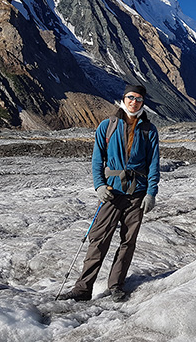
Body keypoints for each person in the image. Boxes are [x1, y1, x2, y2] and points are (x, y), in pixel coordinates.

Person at [58, 84, 160, 302]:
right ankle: (83, 289)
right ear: (123, 99)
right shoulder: (107, 126)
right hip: (112, 192)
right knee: (98, 239)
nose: (134, 102)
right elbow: (97, 159)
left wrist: (151, 193)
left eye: (139, 99)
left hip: (137, 194)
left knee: (128, 242)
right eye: (131, 97)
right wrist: (99, 185)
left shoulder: (149, 130)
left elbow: (153, 164)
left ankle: (116, 285)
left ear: (143, 103)